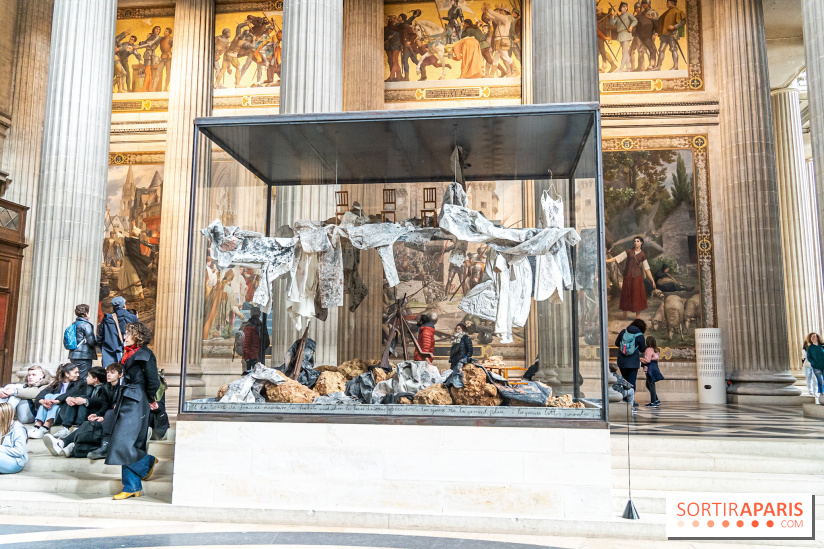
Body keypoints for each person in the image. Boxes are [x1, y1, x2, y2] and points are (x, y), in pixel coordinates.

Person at [107, 322, 160, 500]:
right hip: (128, 399)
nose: (125, 337)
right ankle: (131, 486)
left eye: (128, 334)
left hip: (137, 401)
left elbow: (154, 381)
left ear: (138, 335)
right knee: (129, 443)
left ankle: (147, 462)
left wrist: (151, 399)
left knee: (122, 443)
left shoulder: (145, 354)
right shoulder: (131, 354)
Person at [43, 366, 109, 457]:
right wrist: (68, 398)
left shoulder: (106, 387)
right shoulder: (85, 385)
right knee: (73, 399)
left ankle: (69, 439)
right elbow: (73, 392)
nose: (86, 378)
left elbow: (103, 402)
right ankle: (66, 428)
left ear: (95, 379)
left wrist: (85, 401)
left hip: (94, 414)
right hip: (84, 414)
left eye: (89, 376)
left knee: (83, 399)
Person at [606, 236, 657, 319]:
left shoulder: (642, 255)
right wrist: (606, 260)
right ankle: (624, 314)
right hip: (627, 276)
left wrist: (653, 281)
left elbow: (647, 269)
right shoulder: (629, 251)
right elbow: (617, 258)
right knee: (626, 295)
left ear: (641, 243)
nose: (635, 242)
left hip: (637, 277)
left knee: (637, 295)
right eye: (634, 241)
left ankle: (638, 316)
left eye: (637, 241)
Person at [27, 363, 82, 439]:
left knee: (54, 396)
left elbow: (71, 393)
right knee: (48, 396)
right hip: (51, 410)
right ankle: (37, 426)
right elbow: (41, 394)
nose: (78, 375)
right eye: (75, 372)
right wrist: (42, 401)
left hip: (65, 414)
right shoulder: (57, 383)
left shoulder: (79, 383)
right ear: (67, 374)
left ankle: (45, 428)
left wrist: (56, 400)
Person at [88, 363, 125, 461]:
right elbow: (105, 405)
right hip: (109, 415)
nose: (108, 375)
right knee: (91, 422)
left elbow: (120, 405)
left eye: (112, 373)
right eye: (107, 372)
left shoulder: (123, 387)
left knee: (109, 413)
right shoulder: (105, 386)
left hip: (119, 416)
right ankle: (65, 443)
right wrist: (98, 414)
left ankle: (105, 445)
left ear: (120, 375)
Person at [97, 296, 138, 367]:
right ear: (124, 305)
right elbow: (138, 334)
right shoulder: (132, 318)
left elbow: (100, 336)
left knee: (109, 375)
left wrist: (104, 347)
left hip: (109, 351)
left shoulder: (107, 318)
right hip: (127, 350)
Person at [614, 319, 647, 399]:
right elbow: (642, 349)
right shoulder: (640, 335)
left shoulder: (623, 332)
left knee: (624, 381)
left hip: (622, 361)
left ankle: (625, 400)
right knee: (631, 382)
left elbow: (616, 343)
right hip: (633, 362)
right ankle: (631, 402)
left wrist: (624, 349)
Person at [652, 0, 686, 71]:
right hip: (664, 35)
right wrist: (652, 19)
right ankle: (658, 66)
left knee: (673, 49)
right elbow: (659, 21)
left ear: (672, 2)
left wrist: (674, 27)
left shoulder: (678, 11)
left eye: (668, 2)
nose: (666, 3)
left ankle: (676, 66)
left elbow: (683, 21)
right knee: (661, 50)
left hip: (672, 34)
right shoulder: (666, 13)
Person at [67, 304, 97, 380]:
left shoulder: (74, 324)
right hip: (84, 356)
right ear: (86, 313)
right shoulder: (86, 325)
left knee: (75, 377)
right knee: (84, 378)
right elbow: (91, 341)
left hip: (73, 354)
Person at [609, 2, 638, 73]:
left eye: (626, 7)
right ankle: (628, 68)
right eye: (623, 7)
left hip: (626, 34)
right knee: (626, 52)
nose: (625, 8)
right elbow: (611, 23)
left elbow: (635, 20)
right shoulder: (619, 17)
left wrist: (631, 26)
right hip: (620, 35)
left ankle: (621, 68)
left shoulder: (628, 15)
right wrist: (613, 15)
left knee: (624, 52)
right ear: (620, 8)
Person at [0, 403, 27, 474]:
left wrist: (1, 448)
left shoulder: (18, 428)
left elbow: (19, 451)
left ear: (4, 415)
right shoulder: (1, 426)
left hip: (15, 462)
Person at [242, 307, 270, 374]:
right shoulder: (262, 326)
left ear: (251, 313)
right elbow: (267, 342)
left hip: (246, 355)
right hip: (258, 355)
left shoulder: (244, 325)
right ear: (259, 314)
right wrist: (261, 351)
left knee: (246, 374)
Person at [641, 336, 664, 407]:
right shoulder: (656, 350)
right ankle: (656, 400)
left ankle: (653, 402)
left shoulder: (648, 349)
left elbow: (647, 360)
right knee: (649, 384)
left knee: (651, 384)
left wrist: (641, 360)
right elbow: (657, 360)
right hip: (654, 367)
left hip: (649, 368)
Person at [596, 6, 618, 73]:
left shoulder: (597, 18)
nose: (599, 14)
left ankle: (603, 66)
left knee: (601, 51)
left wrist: (605, 37)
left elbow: (598, 31)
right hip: (599, 37)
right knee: (600, 52)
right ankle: (612, 65)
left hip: (599, 37)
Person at [803, 333, 824, 404]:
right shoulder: (810, 348)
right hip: (816, 367)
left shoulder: (822, 346)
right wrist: (814, 363)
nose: (812, 338)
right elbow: (809, 357)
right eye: (811, 337)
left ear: (817, 338)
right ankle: (821, 393)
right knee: (820, 380)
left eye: (814, 336)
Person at [152, 27, 173, 92]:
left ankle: (165, 88)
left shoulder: (171, 39)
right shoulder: (161, 38)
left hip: (168, 58)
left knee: (168, 73)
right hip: (162, 58)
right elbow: (154, 37)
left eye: (166, 31)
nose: (164, 32)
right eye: (164, 31)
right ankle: (153, 89)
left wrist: (170, 54)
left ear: (169, 33)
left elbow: (176, 47)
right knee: (157, 73)